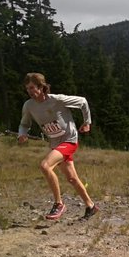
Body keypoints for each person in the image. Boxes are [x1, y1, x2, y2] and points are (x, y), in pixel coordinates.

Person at [17, 72, 99, 220]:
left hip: (69, 140)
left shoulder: (57, 100)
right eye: (27, 88)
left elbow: (83, 102)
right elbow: (24, 124)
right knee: (72, 178)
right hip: (55, 144)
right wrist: (22, 134)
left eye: (32, 88)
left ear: (41, 87)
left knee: (45, 166)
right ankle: (90, 206)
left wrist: (87, 122)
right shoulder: (28, 106)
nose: (30, 91)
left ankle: (58, 204)